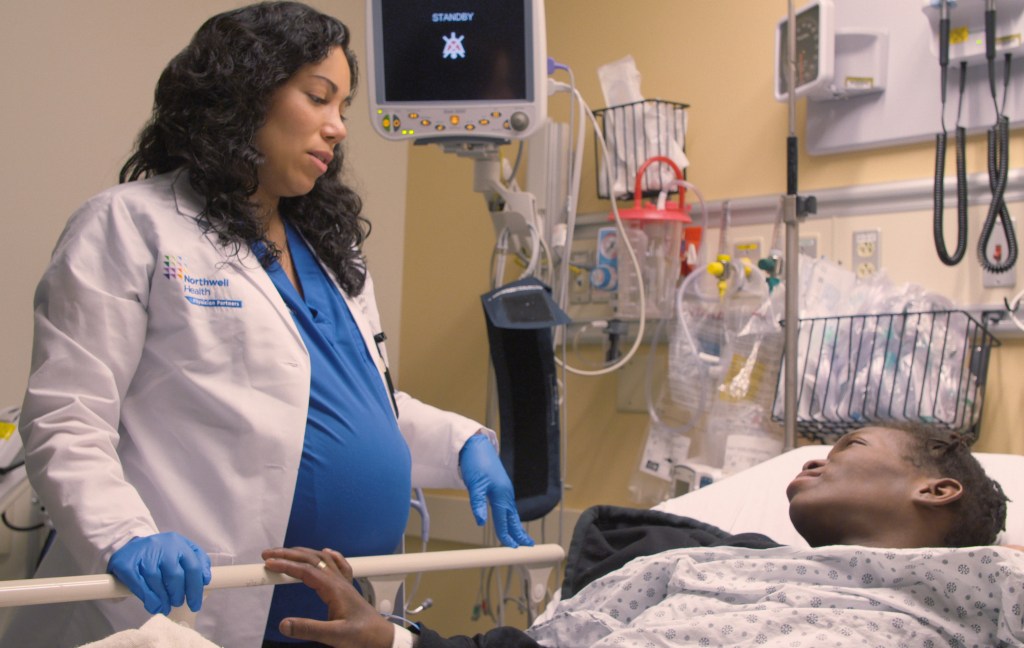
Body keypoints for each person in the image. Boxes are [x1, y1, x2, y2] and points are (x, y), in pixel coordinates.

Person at [7, 3, 531, 647]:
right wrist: (127, 537)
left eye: (344, 108)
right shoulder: (130, 225)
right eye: (319, 98)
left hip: (339, 607)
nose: (338, 128)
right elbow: (67, 417)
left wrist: (461, 444)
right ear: (243, 92)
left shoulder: (332, 252)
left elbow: (351, 405)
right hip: (186, 610)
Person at [261, 424, 1015, 647]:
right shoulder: (706, 565)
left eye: (849, 447)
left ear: (936, 490)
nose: (813, 460)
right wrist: (393, 640)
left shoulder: (963, 611)